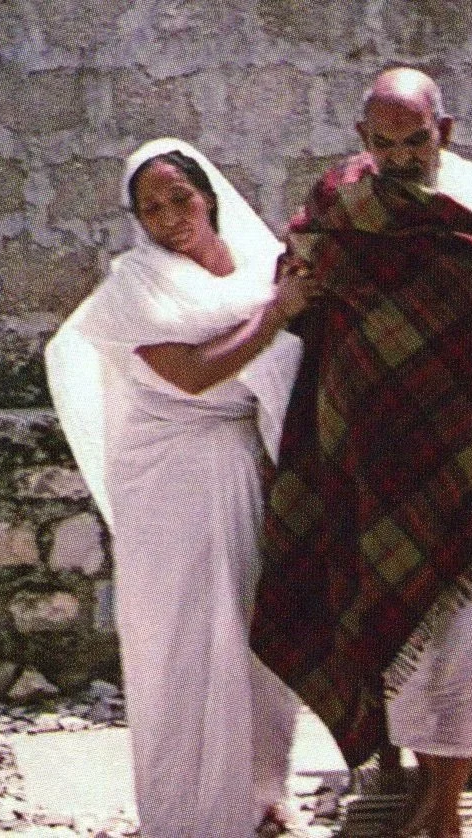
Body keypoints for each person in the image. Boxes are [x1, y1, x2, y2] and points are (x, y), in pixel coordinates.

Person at [249, 69, 472, 838]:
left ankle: (446, 806)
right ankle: (424, 789)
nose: (401, 157)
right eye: (384, 145)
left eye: (415, 141)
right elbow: (302, 296)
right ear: (363, 141)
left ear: (443, 131)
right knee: (402, 620)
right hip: (383, 453)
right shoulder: (343, 205)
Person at [45, 138, 317, 838]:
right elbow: (194, 373)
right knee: (185, 645)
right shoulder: (136, 285)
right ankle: (189, 815)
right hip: (169, 479)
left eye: (180, 199)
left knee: (257, 635)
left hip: (244, 468)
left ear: (208, 195)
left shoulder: (259, 269)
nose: (170, 218)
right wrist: (279, 312)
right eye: (151, 208)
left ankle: (259, 794)